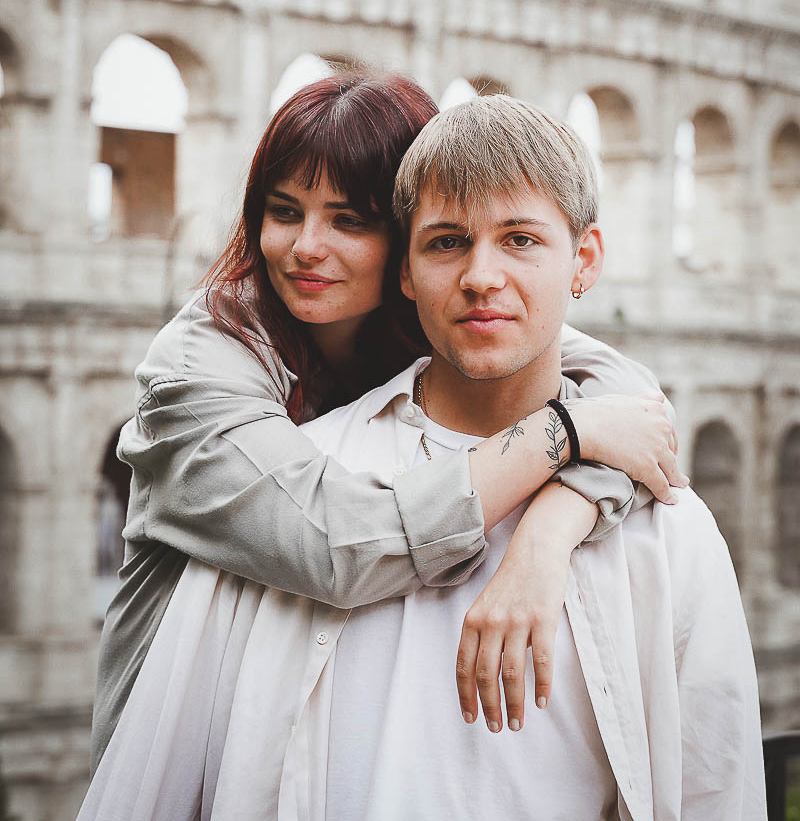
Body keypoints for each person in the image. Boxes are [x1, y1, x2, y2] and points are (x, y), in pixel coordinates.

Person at [87, 74, 683, 797]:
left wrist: (553, 529)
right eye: (283, 212)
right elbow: (336, 545)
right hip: (191, 757)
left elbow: (629, 406)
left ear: (405, 248)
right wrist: (566, 435)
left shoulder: (430, 327)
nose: (307, 247)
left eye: (348, 220)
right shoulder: (199, 365)